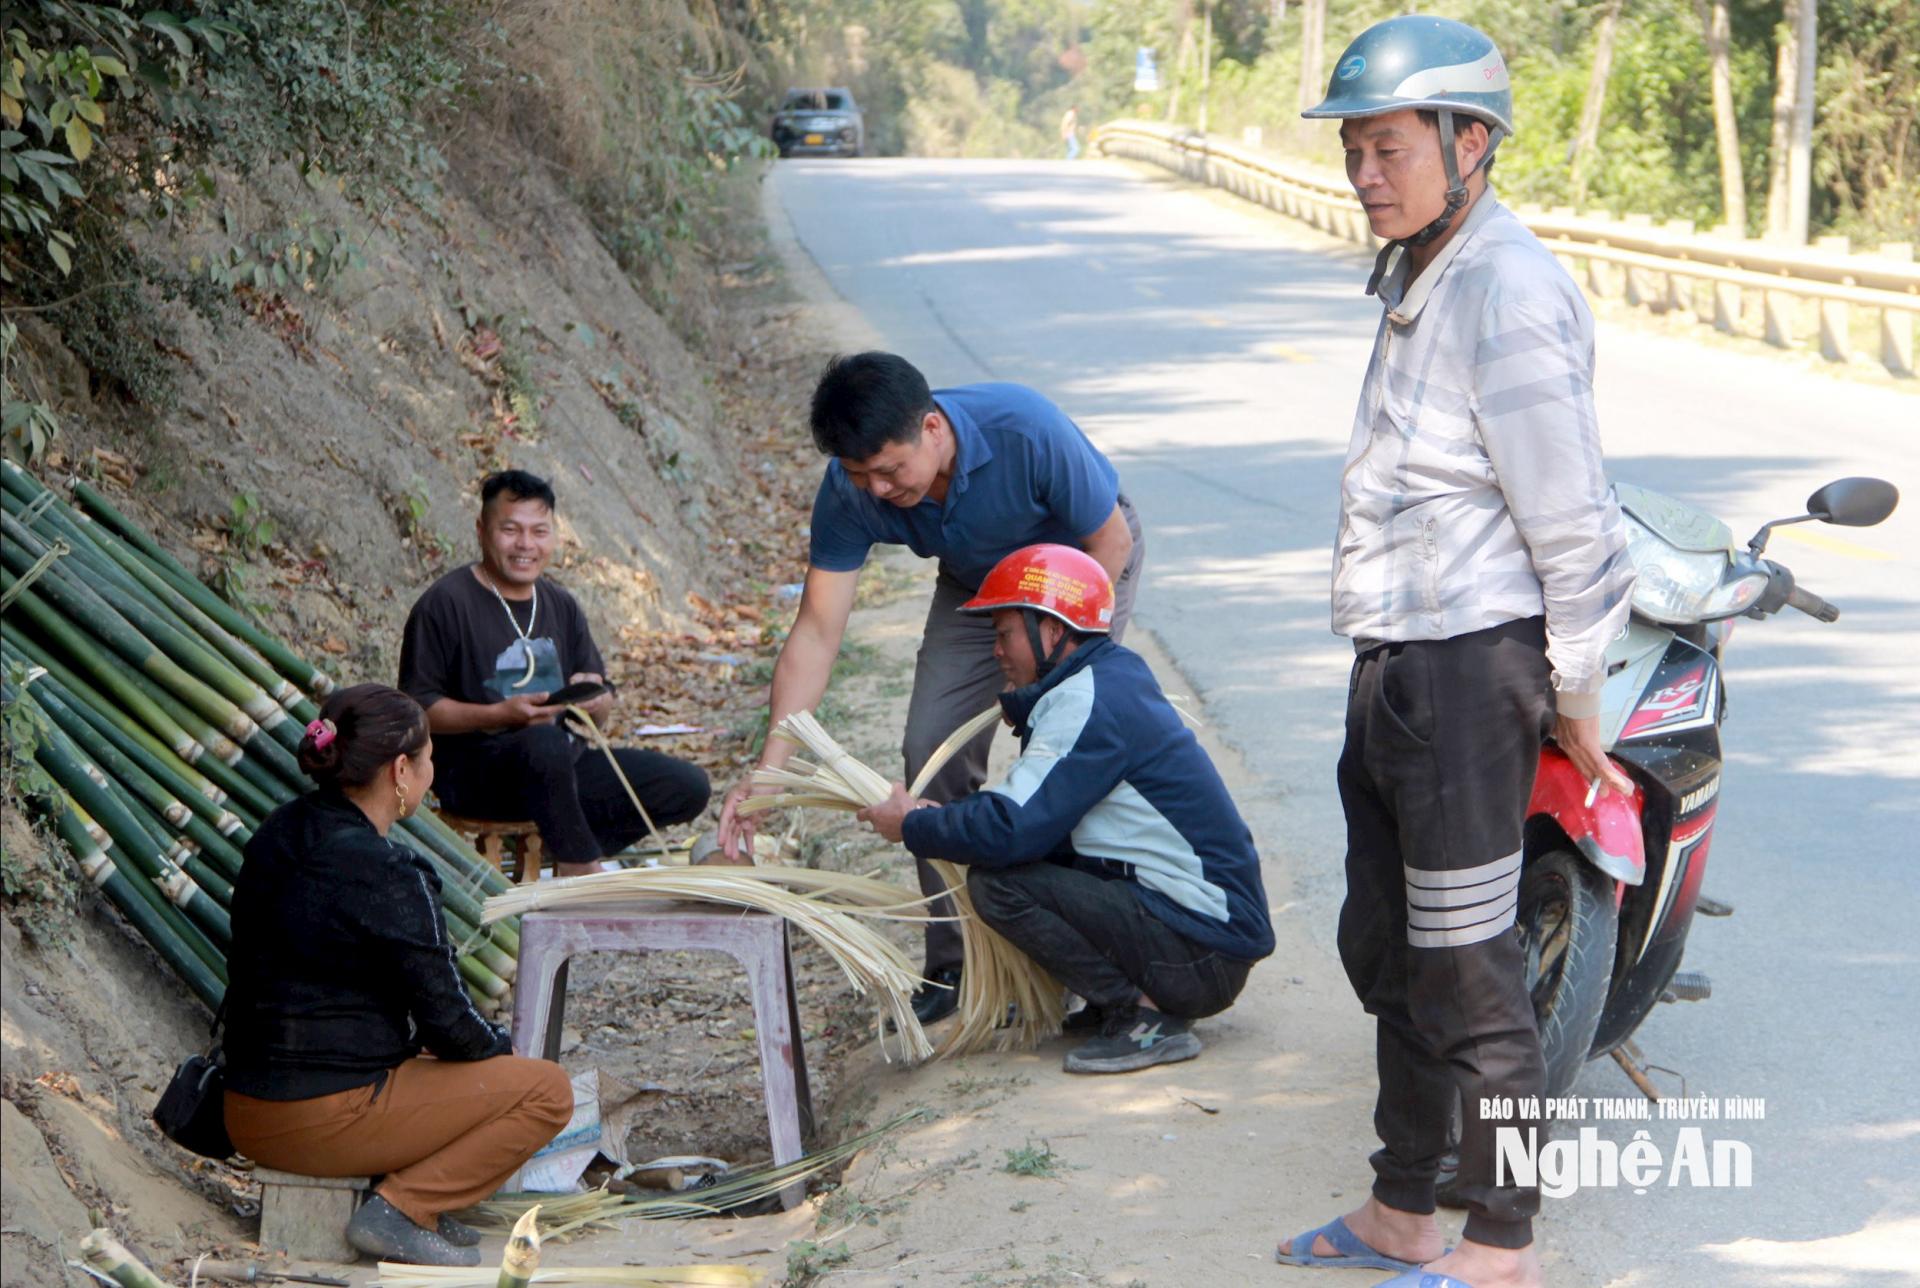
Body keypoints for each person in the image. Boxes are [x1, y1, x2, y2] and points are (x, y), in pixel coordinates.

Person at [1274, 17, 1636, 1288]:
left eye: (1390, 147)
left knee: (1474, 967)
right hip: (1398, 664)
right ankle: (1402, 1208)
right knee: (1392, 949)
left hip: (1472, 670)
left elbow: (1572, 518)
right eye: (1354, 149)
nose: (1365, 172)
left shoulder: (1507, 290)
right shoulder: (1422, 272)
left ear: (1470, 142)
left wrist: (1576, 691)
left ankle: (1500, 1242)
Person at [713, 353, 1145, 1025]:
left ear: (934, 428)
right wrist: (771, 772)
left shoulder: (1024, 429)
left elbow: (1109, 540)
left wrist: (1049, 668)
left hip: (1078, 573)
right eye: (862, 475)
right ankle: (957, 962)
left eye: (890, 470)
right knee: (929, 748)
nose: (878, 490)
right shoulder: (852, 488)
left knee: (1067, 749)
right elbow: (817, 631)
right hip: (977, 584)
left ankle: (1088, 962)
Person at [854, 545, 1271, 1074]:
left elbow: (1012, 828)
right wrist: (940, 820)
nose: (996, 651)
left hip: (1201, 954)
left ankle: (1144, 1015)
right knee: (1020, 863)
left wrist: (913, 824)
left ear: (1051, 631)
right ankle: (1124, 999)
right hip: (1200, 944)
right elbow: (1034, 820)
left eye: (1005, 634)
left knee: (999, 885)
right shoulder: (1103, 681)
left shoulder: (1086, 700)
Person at [222, 684, 573, 1267]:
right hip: (316, 1121)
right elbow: (451, 1026)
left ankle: (416, 1201)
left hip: (243, 1109)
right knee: (546, 1091)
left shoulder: (278, 832)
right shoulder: (389, 871)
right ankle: (403, 1208)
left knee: (437, 1066)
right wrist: (500, 1051)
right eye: (429, 758)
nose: (432, 773)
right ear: (401, 770)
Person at [399, 469, 710, 877]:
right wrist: (498, 715)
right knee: (543, 743)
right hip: (477, 775)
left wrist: (596, 700)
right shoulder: (446, 603)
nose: (526, 544)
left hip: (561, 769)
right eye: (510, 530)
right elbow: (418, 711)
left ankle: (561, 847)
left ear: (554, 536)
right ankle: (580, 866)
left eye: (539, 531)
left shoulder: (561, 604)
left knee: (687, 786)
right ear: (481, 530)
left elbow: (598, 706)